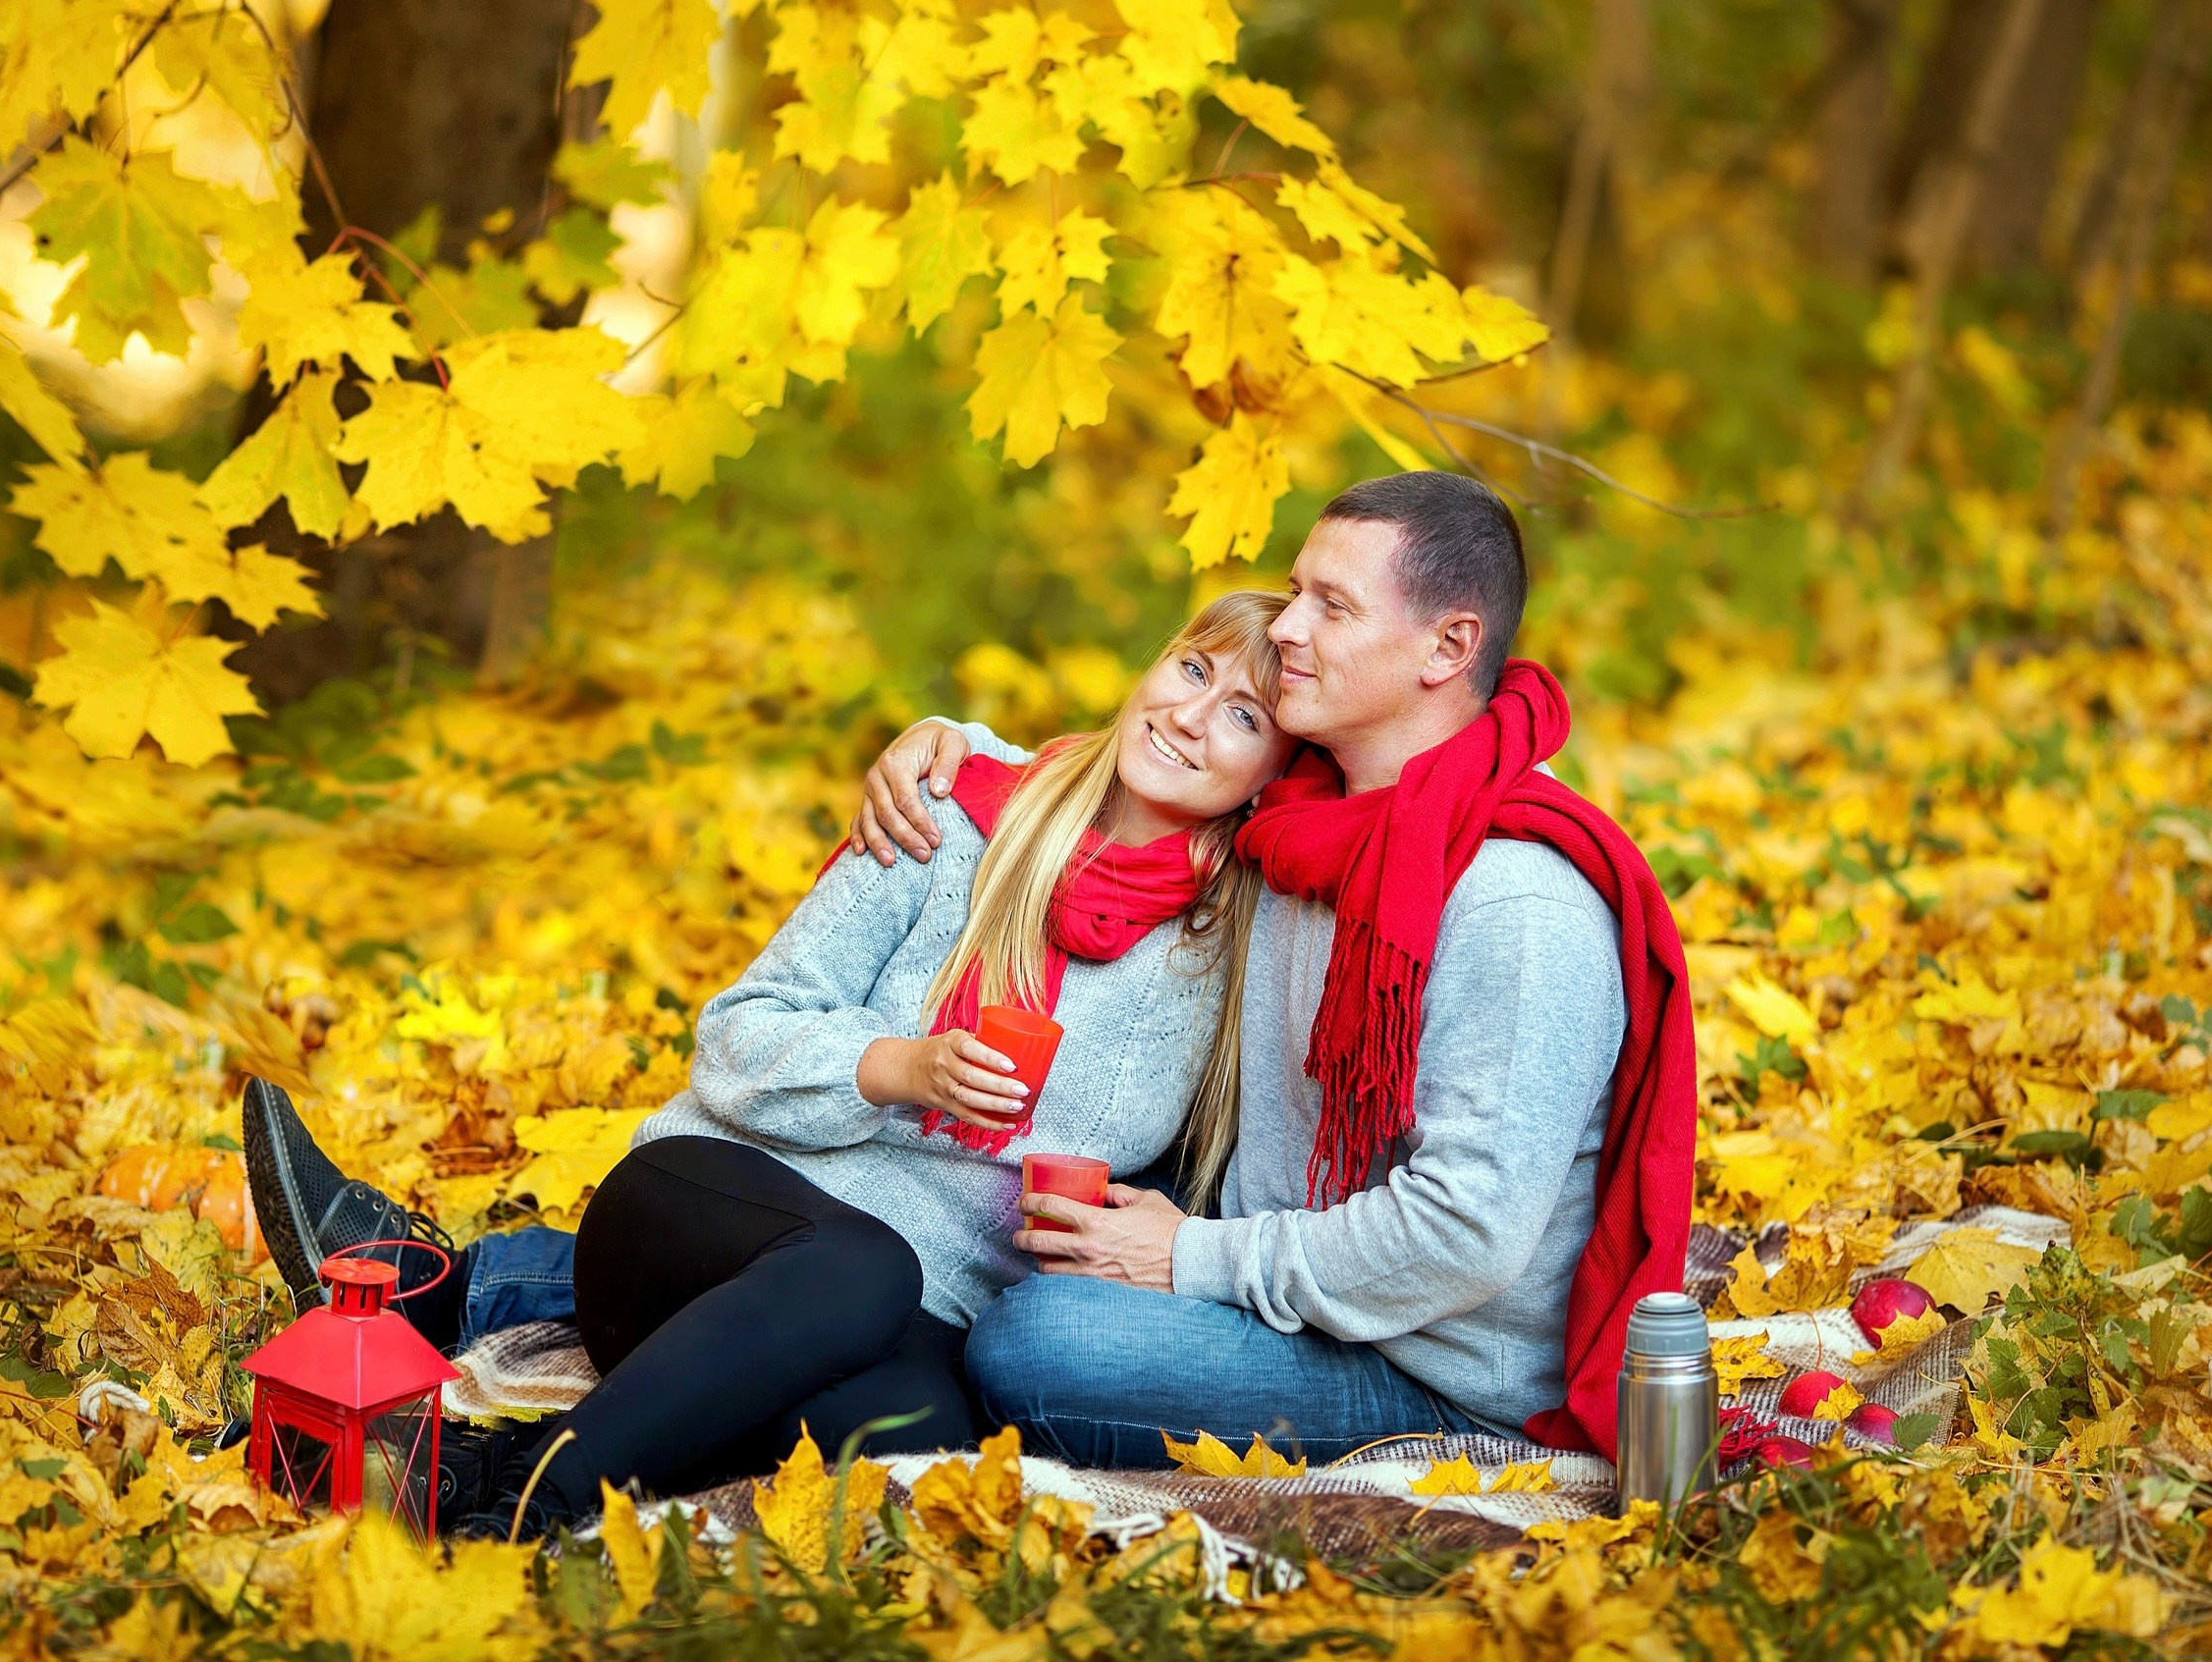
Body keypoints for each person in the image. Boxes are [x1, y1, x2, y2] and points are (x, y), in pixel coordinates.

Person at [241, 591, 1297, 1538]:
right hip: (706, 1215)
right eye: (1190, 668)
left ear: (1273, 779)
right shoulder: (951, 811)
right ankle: (522, 1503)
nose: (1191, 714)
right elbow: (737, 1033)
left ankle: (471, 1422)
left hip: (912, 1310)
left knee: (917, 1440)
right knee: (862, 1264)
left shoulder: (1234, 951)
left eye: (1244, 716)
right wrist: (896, 1067)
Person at [852, 472, 1697, 1469]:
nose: (1288, 628)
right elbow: (1140, 767)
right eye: (1297, 591)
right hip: (1270, 1256)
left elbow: (1464, 1232)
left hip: (1425, 1364)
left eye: (1333, 606)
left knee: (1036, 1341)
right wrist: (948, 746)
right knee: (1017, 1213)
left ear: (1447, 648)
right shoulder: (1302, 814)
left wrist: (1188, 1256)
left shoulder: (1516, 901)